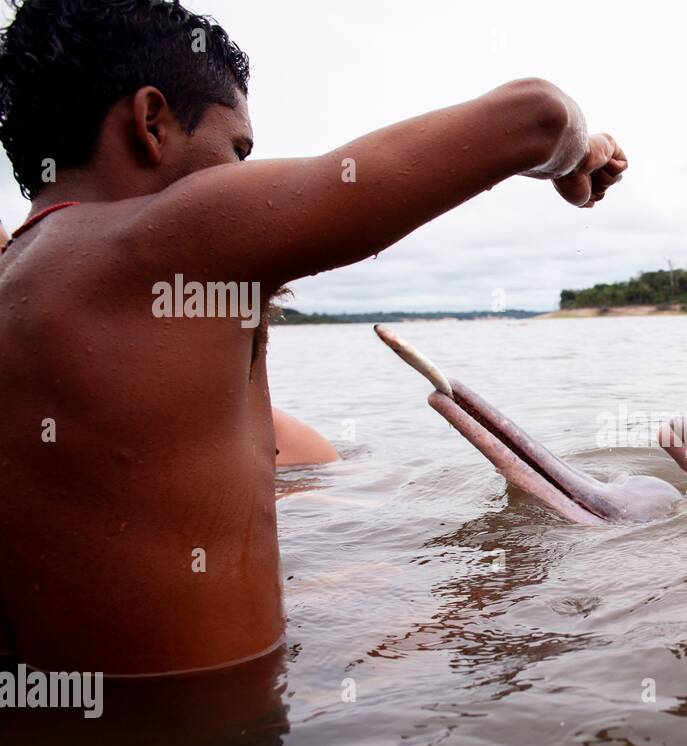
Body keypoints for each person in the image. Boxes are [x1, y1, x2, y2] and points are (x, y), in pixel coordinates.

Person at [0, 0, 625, 675]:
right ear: (153, 123)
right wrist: (577, 155)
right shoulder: (166, 238)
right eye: (237, 150)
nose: (242, 173)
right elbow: (536, 115)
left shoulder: (16, 279)